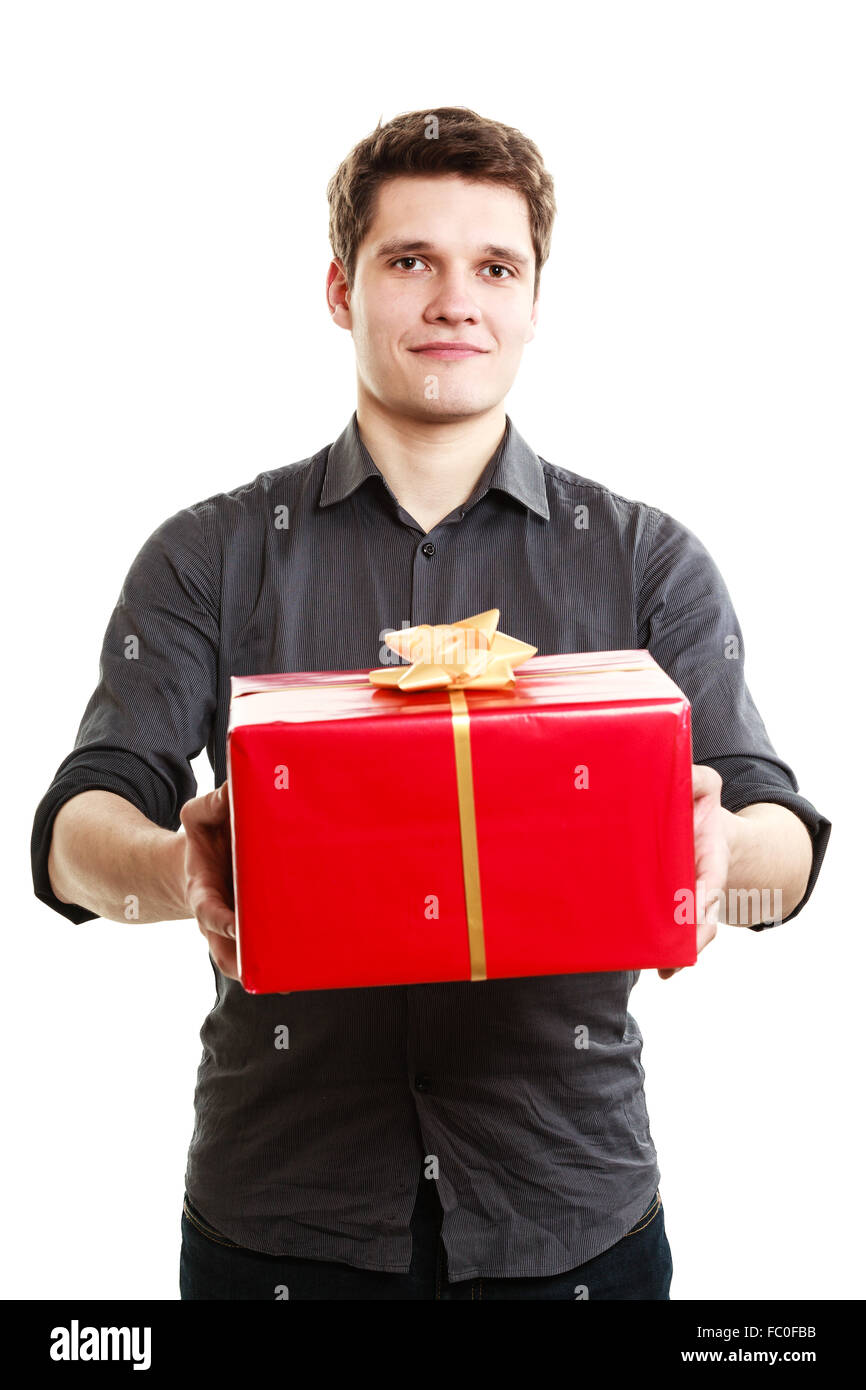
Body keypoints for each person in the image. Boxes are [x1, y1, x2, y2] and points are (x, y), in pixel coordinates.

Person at [31, 106, 831, 1301]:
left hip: (569, 1221)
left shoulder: (646, 560)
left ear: (530, 302)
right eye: (410, 260)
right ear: (341, 289)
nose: (454, 300)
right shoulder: (209, 554)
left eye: (492, 267)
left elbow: (784, 842)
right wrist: (171, 871)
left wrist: (719, 852)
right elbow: (75, 830)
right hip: (282, 1223)